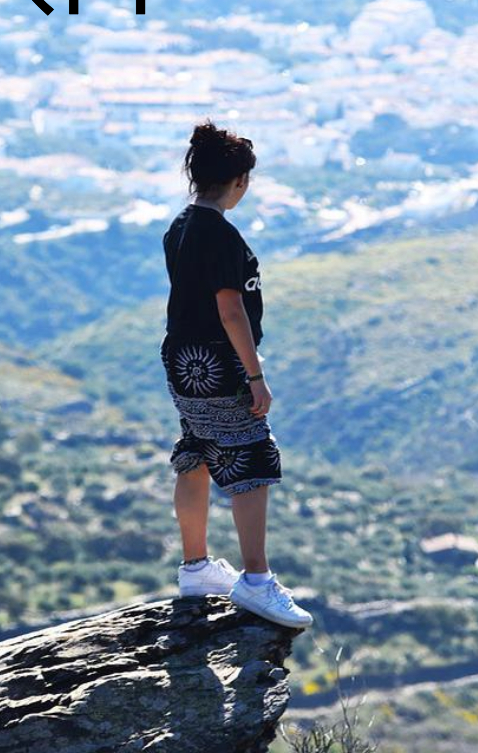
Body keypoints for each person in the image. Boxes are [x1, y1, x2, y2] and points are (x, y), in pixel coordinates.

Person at [159, 119, 313, 629]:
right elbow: (230, 310)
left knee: (197, 449)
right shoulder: (222, 235)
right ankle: (256, 580)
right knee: (251, 456)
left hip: (182, 358)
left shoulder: (179, 226)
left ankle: (196, 568)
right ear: (240, 181)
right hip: (218, 360)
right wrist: (255, 375)